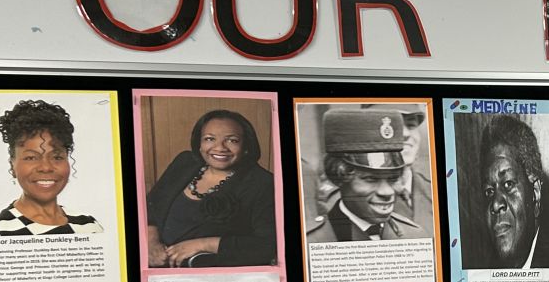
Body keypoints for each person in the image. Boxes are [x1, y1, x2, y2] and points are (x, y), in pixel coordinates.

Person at [146, 109, 276, 267]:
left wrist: (203, 244)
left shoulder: (262, 183)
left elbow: (267, 245)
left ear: (246, 146)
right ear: (199, 144)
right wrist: (151, 244)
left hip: (212, 278)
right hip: (157, 268)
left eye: (232, 140)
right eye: (209, 139)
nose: (220, 147)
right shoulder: (185, 163)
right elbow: (150, 209)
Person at [0, 99, 102, 236]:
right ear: (12, 166)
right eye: (31, 157)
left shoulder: (89, 226)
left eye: (57, 157)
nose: (46, 167)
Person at [306, 108, 426, 242]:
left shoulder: (415, 235)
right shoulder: (312, 241)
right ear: (339, 177)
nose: (386, 192)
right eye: (371, 179)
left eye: (393, 179)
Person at [474, 114, 549, 269]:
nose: (495, 204)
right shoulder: (484, 268)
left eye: (508, 184)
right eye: (489, 191)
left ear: (535, 193)